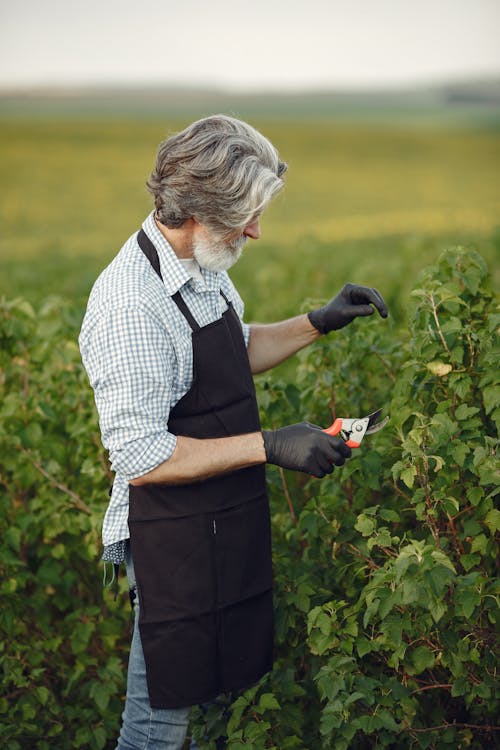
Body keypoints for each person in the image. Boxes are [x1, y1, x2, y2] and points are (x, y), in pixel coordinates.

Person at [79, 114, 388, 750]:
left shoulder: (199, 262)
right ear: (197, 208)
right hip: (168, 533)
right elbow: (140, 457)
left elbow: (226, 348)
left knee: (210, 698)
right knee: (157, 724)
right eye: (243, 215)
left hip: (214, 514)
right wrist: (270, 445)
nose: (254, 229)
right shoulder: (130, 304)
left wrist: (316, 322)